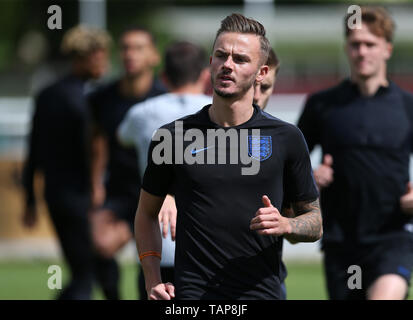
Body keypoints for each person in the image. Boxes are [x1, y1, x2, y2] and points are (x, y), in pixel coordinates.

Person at [136, 13, 322, 300]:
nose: (227, 65)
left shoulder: (286, 138)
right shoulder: (172, 136)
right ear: (210, 62)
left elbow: (314, 221)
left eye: (240, 59)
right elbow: (146, 213)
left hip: (260, 293)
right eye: (221, 56)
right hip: (193, 296)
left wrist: (286, 225)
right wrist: (152, 279)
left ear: (262, 72)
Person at [297, 6, 413, 300]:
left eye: (370, 44)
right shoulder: (322, 106)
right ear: (347, 48)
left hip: (392, 238)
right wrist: (311, 178)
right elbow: (290, 165)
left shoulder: (407, 107)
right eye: (355, 44)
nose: (362, 52)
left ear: (387, 49)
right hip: (342, 244)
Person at [22, 25, 111, 300]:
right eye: (100, 55)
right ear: (85, 56)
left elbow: (33, 150)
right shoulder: (89, 99)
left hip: (56, 196)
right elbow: (95, 147)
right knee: (90, 274)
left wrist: (30, 201)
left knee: (91, 269)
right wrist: (98, 185)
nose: (104, 61)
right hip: (85, 197)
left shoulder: (47, 94)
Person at [118, 41, 211, 299]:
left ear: (164, 77)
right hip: (206, 250)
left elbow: (121, 137)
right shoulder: (219, 115)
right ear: (205, 75)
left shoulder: (140, 113)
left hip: (153, 248)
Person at [88, 25, 167, 299]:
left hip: (157, 195)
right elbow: (96, 142)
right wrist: (95, 182)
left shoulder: (163, 100)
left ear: (154, 56)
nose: (129, 54)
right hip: (120, 192)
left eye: (138, 48)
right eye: (125, 48)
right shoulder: (102, 98)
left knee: (152, 266)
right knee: (98, 242)